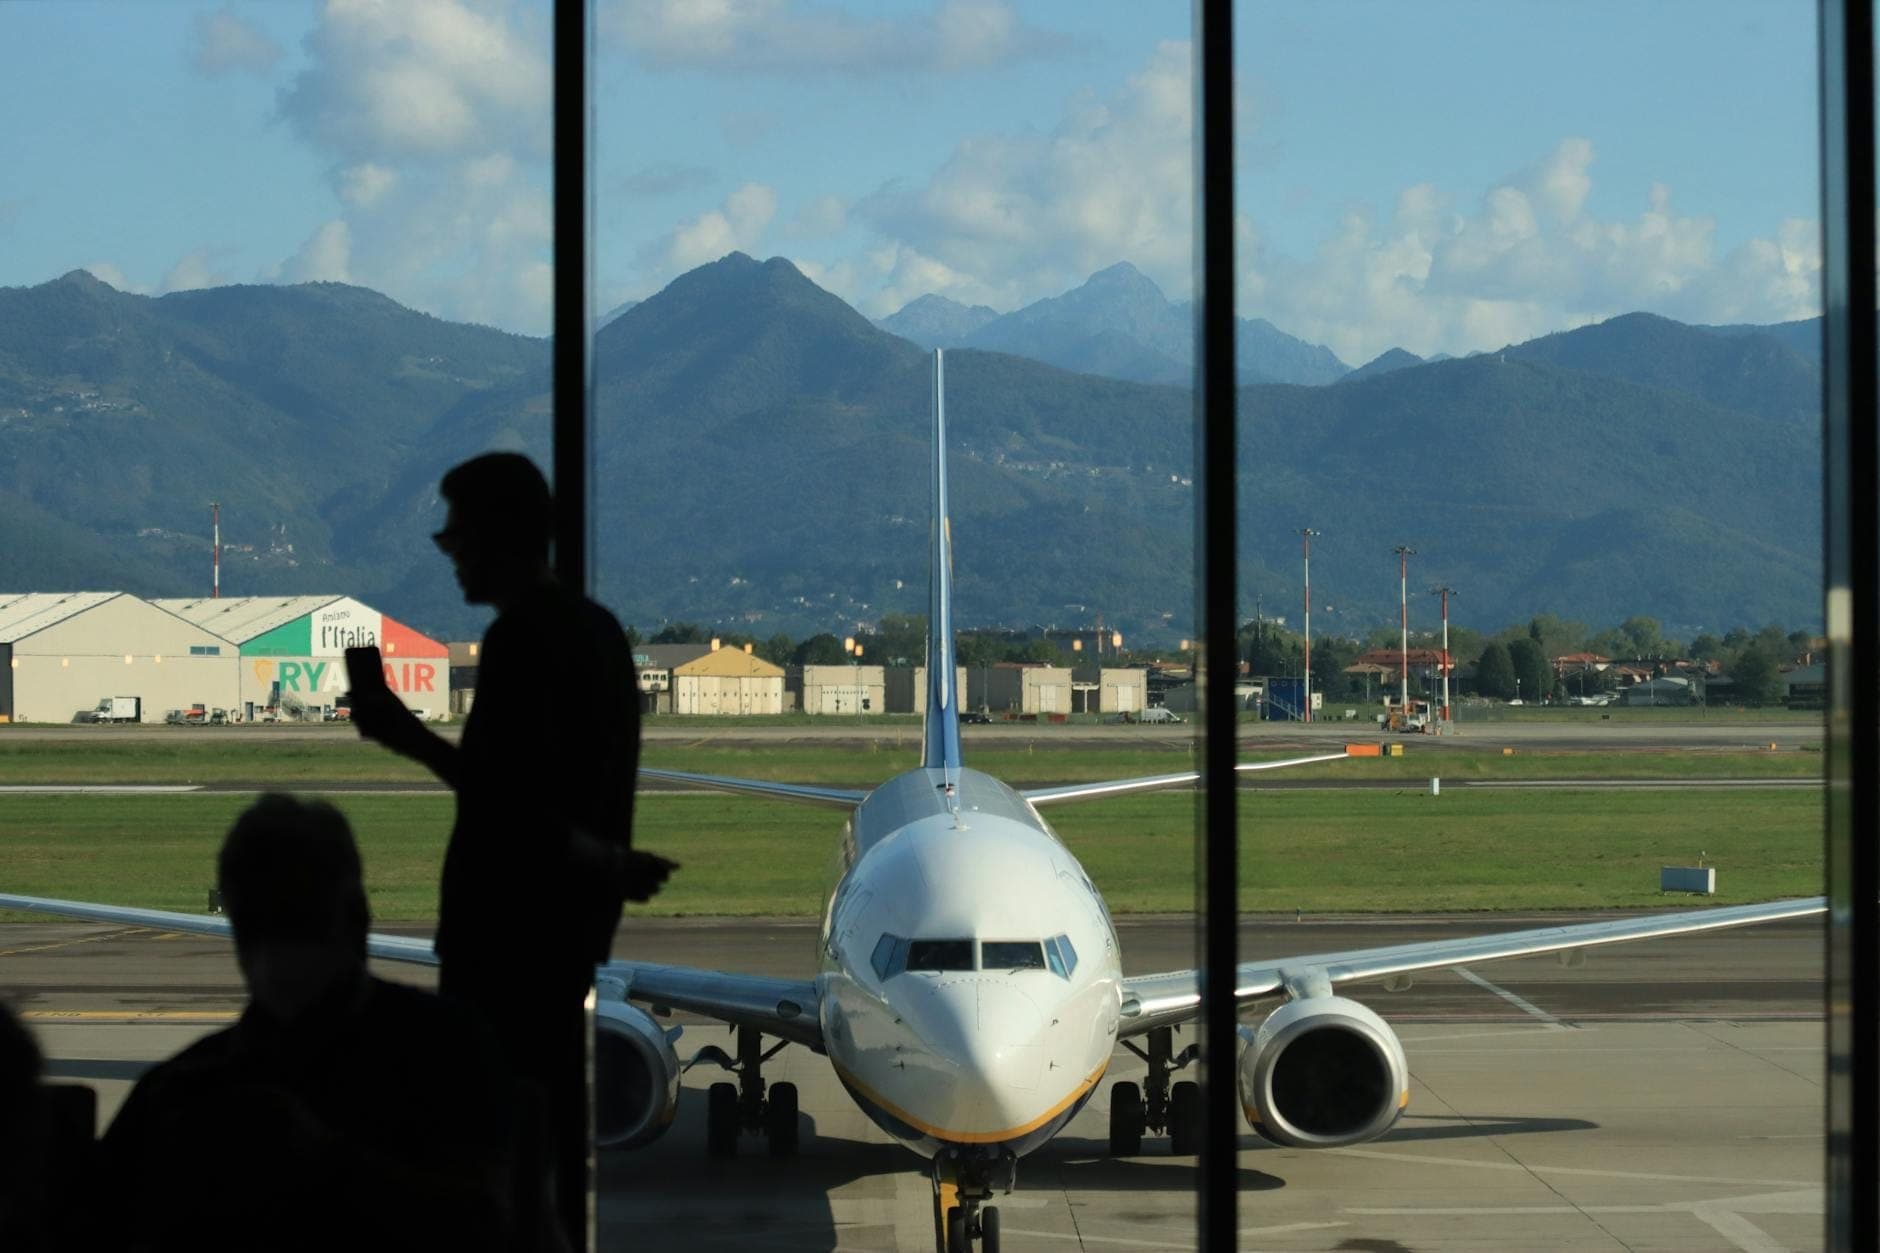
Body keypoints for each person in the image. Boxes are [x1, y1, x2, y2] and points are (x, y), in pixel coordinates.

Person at [349, 451, 670, 1248]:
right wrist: (608, 866)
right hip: (558, 956)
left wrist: (405, 736)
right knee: (537, 1171)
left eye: (457, 533)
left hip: (510, 959)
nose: (448, 549)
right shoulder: (594, 632)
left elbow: (508, 804)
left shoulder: (525, 640)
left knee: (494, 1179)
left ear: (500, 534)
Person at [95, 795, 533, 1251]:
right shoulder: (453, 1052)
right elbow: (497, 1222)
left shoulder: (177, 1093)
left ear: (239, 930)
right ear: (359, 915)